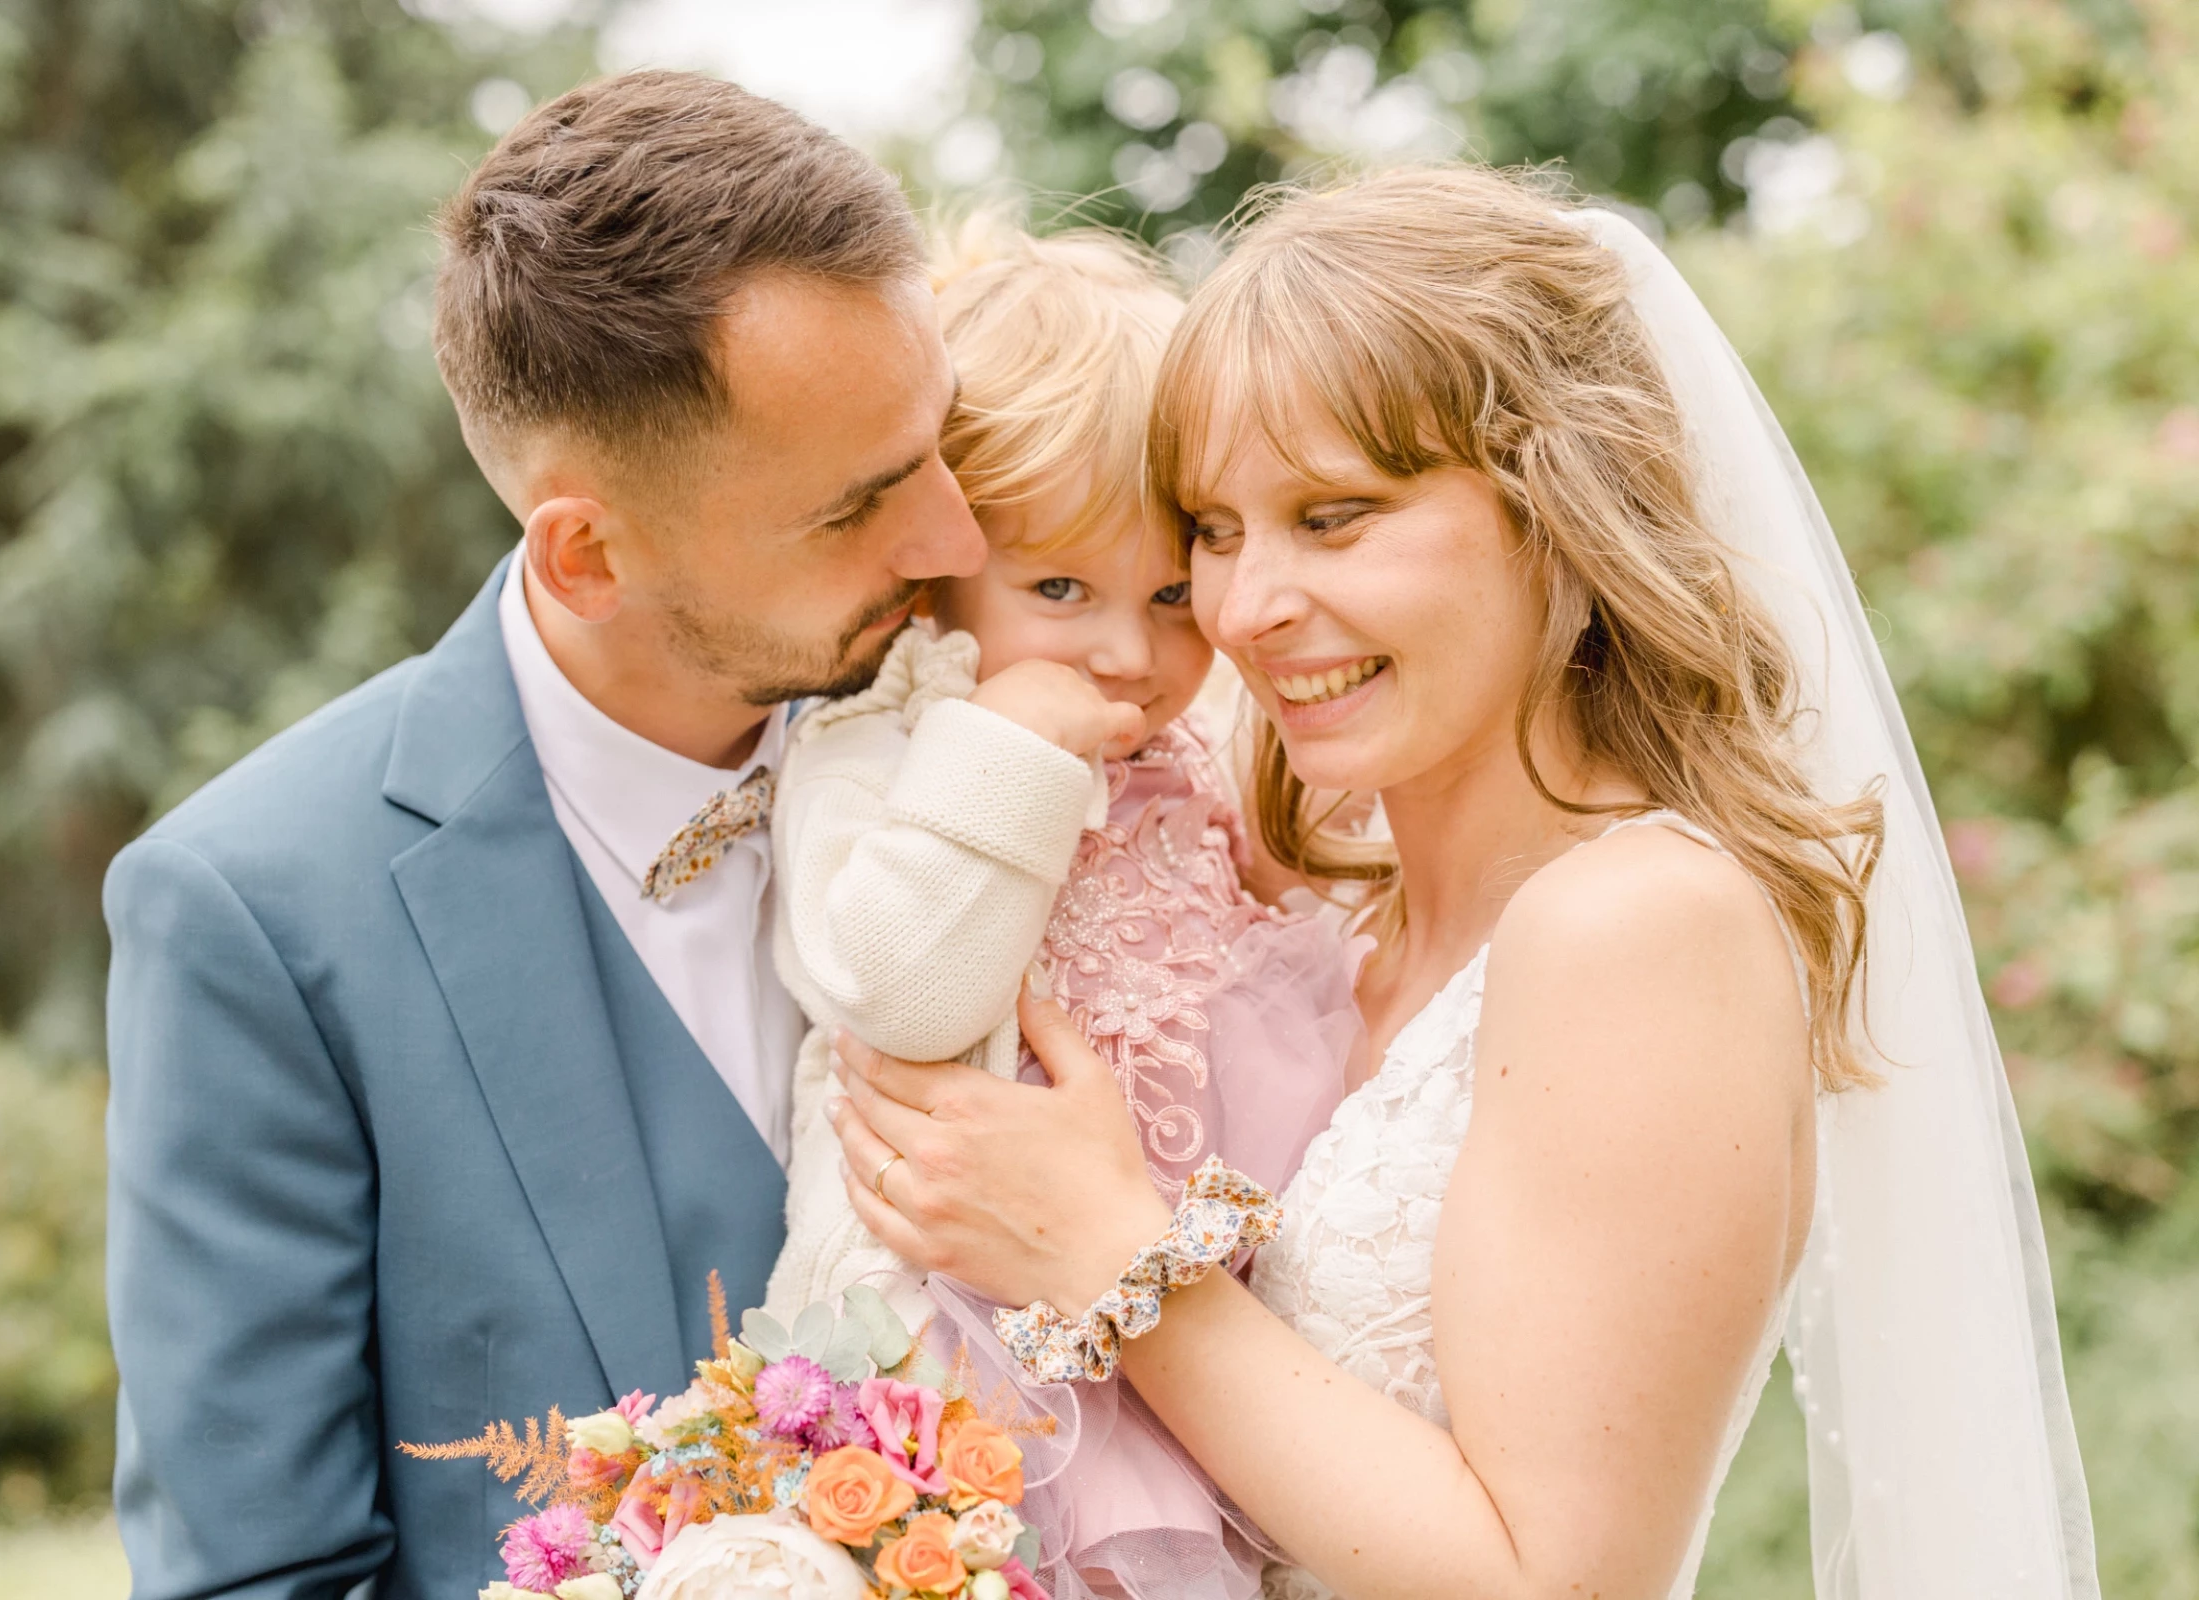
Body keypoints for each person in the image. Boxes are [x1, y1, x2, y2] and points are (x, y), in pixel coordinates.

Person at [825, 168, 2100, 1600]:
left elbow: (1556, 1582)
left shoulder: (1640, 926)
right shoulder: (1320, 916)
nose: (1244, 611)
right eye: (1217, 530)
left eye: (1334, 514)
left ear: (1556, 508)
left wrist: (1110, 1254)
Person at [101, 72, 985, 1600]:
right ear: (586, 554)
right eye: (858, 508)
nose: (958, 540)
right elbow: (261, 1578)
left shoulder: (1000, 745)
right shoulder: (254, 914)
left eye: (937, 447)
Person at [761, 221, 1357, 1600]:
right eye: (1058, 590)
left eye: (1169, 593)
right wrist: (1013, 749)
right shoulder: (888, 745)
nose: (1126, 652)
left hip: (1178, 1310)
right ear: (943, 573)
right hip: (951, 1326)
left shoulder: (1191, 752)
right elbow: (899, 988)